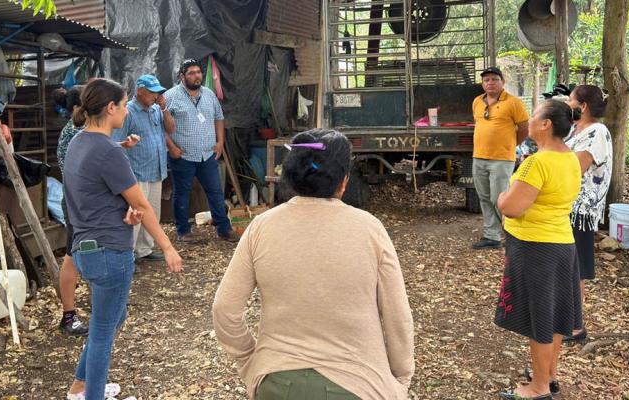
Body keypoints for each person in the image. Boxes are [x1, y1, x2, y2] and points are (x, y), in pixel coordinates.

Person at [212, 129, 415, 400]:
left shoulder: (261, 227)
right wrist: (401, 379)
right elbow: (398, 316)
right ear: (343, 180)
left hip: (277, 382)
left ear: (290, 177)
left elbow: (224, 310)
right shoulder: (370, 229)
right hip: (358, 384)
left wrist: (252, 362)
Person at [63, 78, 183, 400]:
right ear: (111, 107)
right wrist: (167, 246)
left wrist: (122, 212)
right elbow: (142, 205)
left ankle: (80, 386)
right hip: (109, 251)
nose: (127, 111)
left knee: (114, 317)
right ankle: (93, 394)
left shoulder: (78, 141)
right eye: (124, 104)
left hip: (85, 249)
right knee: (103, 330)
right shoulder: (107, 151)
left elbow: (93, 191)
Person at [494, 100, 583, 400]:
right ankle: (549, 375)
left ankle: (538, 387)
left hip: (536, 248)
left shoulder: (537, 162)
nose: (529, 120)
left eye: (534, 115)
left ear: (546, 124)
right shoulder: (571, 157)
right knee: (554, 316)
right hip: (562, 244)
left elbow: (512, 207)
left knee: (540, 318)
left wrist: (502, 197)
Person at [164, 59, 238, 243]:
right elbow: (159, 125)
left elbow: (219, 118)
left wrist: (220, 142)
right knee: (182, 193)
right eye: (191, 73)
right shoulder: (170, 96)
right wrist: (171, 147)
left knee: (215, 192)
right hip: (183, 155)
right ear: (182, 76)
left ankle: (224, 229)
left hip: (207, 154)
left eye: (198, 72)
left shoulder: (209, 94)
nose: (196, 76)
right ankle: (183, 231)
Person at [564, 85, 612, 342]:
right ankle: (567, 318)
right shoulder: (577, 129)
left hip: (580, 209)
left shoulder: (597, 131)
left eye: (570, 99)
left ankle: (575, 326)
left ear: (582, 106)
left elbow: (576, 167)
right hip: (567, 206)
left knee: (576, 267)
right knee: (568, 264)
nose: (566, 103)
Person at [111, 74, 176, 262]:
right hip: (136, 172)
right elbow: (116, 142)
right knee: (136, 215)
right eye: (152, 92)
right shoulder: (128, 112)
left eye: (158, 93)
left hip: (156, 169)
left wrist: (164, 108)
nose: (156, 96)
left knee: (152, 213)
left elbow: (171, 129)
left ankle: (144, 249)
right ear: (140, 91)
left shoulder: (156, 110)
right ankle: (128, 254)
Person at [472, 66, 530, 249]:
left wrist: (511, 145)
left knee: (500, 198)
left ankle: (510, 233)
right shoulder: (477, 101)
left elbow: (524, 128)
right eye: (486, 80)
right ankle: (492, 236)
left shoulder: (513, 102)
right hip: (479, 156)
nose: (490, 83)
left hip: (502, 159)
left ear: (503, 82)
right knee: (484, 197)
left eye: (495, 79)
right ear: (482, 83)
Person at [54, 85, 89, 336]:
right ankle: (68, 315)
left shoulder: (81, 131)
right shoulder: (74, 133)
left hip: (83, 202)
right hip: (78, 202)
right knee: (73, 256)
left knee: (80, 254)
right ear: (78, 108)